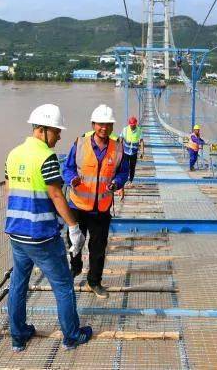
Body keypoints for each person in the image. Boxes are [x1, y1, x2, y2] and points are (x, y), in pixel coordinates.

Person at [4, 104, 92, 352]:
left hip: (16, 232)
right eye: (56, 131)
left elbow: (8, 190)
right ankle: (72, 336)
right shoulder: (46, 157)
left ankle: (18, 335)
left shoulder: (13, 154)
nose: (59, 136)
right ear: (42, 130)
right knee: (63, 285)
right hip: (41, 235)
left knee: (19, 283)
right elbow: (56, 195)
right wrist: (74, 228)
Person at [62, 104, 129, 299]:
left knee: (98, 248)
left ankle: (94, 281)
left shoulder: (118, 148)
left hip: (101, 208)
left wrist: (117, 183)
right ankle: (75, 269)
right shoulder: (80, 143)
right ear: (93, 124)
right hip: (78, 206)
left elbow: (123, 172)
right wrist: (71, 178)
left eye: (108, 125)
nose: (104, 128)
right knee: (75, 242)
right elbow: (67, 168)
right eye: (100, 124)